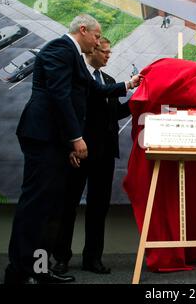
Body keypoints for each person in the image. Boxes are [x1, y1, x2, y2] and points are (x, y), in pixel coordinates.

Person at [5, 14, 141, 284]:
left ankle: (40, 270)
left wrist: (128, 84)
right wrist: (75, 138)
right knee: (36, 207)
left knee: (49, 208)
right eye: (97, 35)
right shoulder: (59, 49)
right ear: (83, 30)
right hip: (43, 137)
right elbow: (60, 95)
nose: (99, 41)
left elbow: (94, 88)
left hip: (54, 141)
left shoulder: (74, 56)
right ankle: (18, 273)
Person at [51, 37, 132, 275]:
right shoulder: (79, 78)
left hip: (104, 156)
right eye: (105, 52)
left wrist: (138, 103)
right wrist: (69, 147)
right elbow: (66, 113)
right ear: (92, 51)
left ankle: (92, 258)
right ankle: (61, 258)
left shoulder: (108, 81)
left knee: (99, 208)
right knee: (68, 207)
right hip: (80, 154)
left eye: (110, 52)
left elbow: (113, 113)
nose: (108, 56)